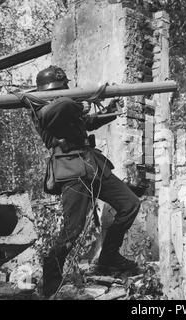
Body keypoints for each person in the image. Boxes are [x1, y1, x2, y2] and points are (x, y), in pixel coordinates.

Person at [27, 65, 142, 298]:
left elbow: (86, 123)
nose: (66, 90)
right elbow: (57, 111)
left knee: (130, 204)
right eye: (63, 88)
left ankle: (109, 256)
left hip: (93, 166)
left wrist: (109, 110)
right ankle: (52, 276)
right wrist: (84, 99)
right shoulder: (40, 107)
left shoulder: (67, 106)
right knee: (73, 230)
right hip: (71, 171)